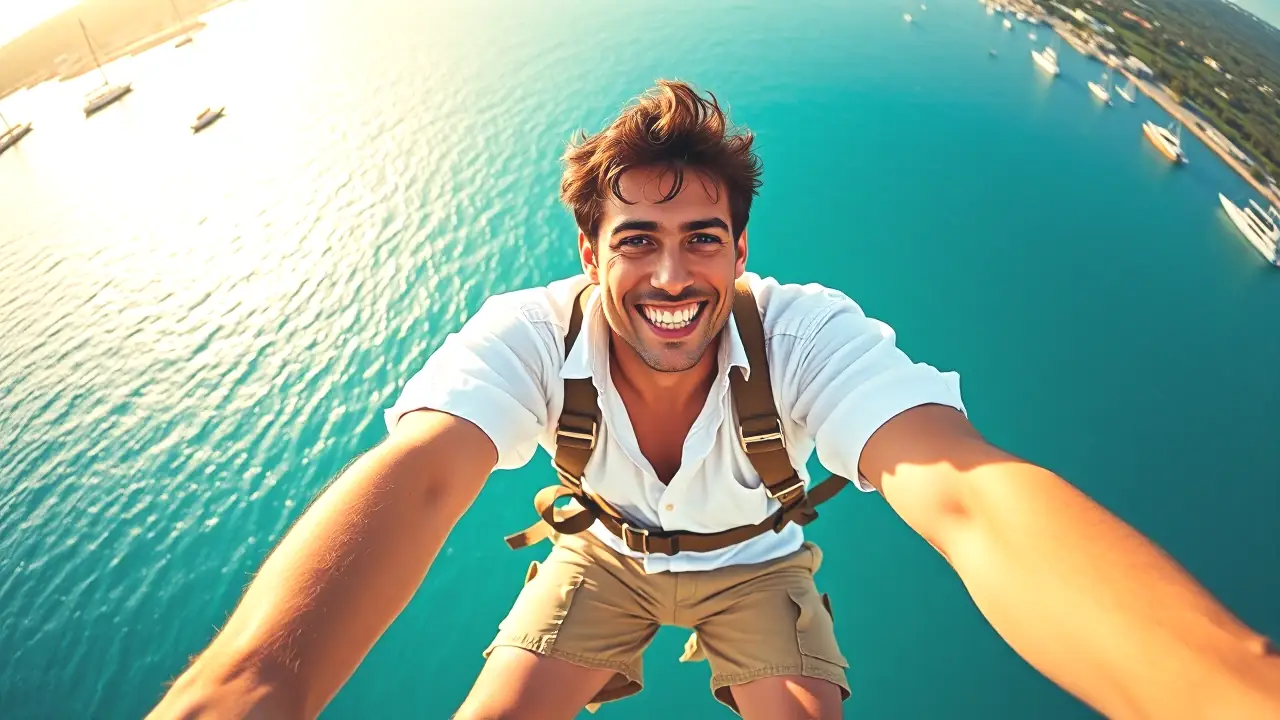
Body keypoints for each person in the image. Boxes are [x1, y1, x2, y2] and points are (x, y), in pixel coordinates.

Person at [148, 80, 1280, 720]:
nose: (672, 276)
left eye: (702, 239)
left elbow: (968, 496)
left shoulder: (805, 334)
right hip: (605, 558)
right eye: (636, 240)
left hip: (755, 568)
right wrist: (241, 693)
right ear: (589, 253)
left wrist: (1230, 695)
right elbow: (424, 476)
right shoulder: (530, 337)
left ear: (740, 252)